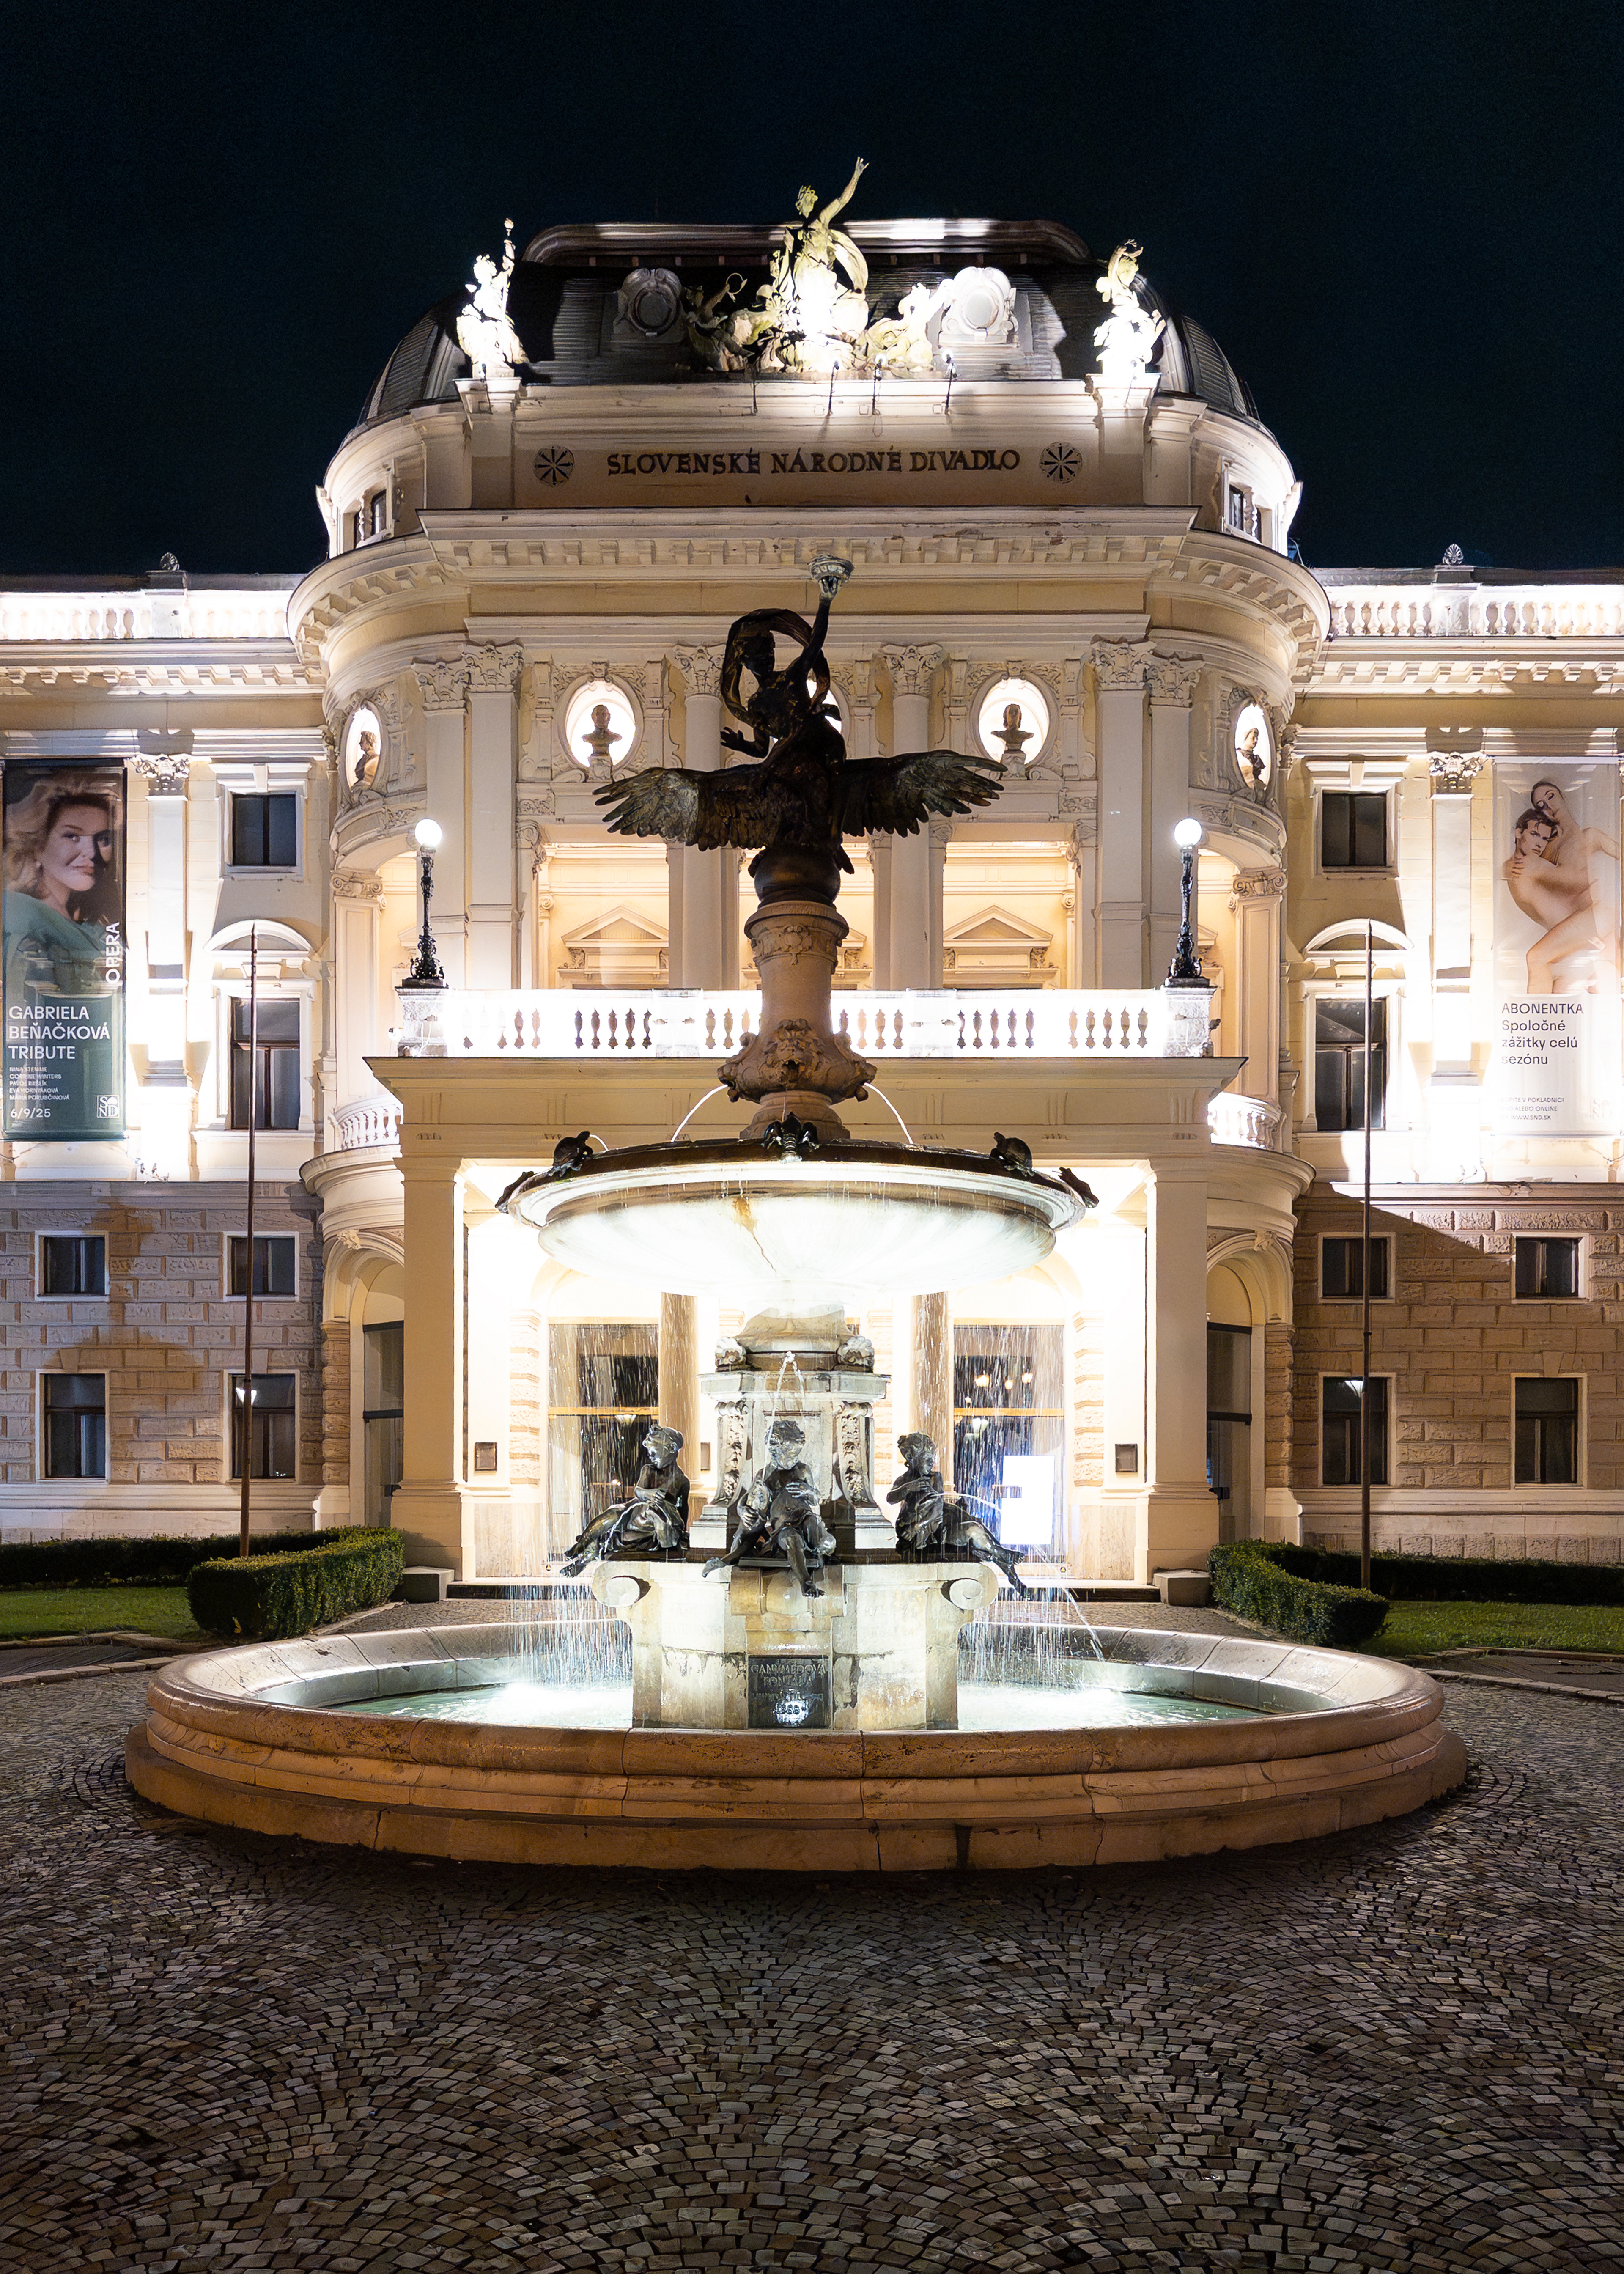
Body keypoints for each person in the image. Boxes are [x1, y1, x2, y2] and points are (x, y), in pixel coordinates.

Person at [3, 774, 123, 1136]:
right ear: (37, 846)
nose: (90, 853)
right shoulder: (21, 919)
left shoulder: (88, 925)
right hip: (40, 1097)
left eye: (100, 839)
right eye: (72, 836)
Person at [703, 1417, 834, 1598]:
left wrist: (808, 1490)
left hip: (806, 1519)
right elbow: (753, 1505)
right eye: (788, 1455)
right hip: (784, 1529)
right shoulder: (765, 1475)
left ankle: (825, 1545)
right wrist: (742, 1510)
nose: (792, 1459)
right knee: (792, 1539)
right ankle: (806, 1584)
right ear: (776, 1450)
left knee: (821, 1538)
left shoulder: (802, 1470)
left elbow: (816, 1500)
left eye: (795, 1455)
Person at [1503, 792, 1617, 993]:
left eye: (1544, 838)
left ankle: (1536, 1021)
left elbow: (1579, 882)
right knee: (1568, 987)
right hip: (1583, 930)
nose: (1540, 843)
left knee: (1536, 958)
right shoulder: (1521, 865)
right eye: (1535, 835)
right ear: (1519, 833)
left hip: (1593, 921)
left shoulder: (1535, 863)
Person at [558, 1423, 690, 1576]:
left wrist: (681, 1533)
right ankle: (582, 1545)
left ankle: (583, 1561)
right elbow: (638, 1491)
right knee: (614, 1512)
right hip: (634, 1511)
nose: (650, 1456)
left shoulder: (682, 1481)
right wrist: (650, 1494)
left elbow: (683, 1509)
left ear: (672, 1449)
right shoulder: (649, 1470)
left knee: (628, 1533)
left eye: (653, 1453)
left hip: (651, 1524)